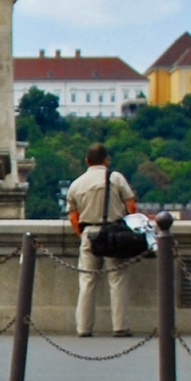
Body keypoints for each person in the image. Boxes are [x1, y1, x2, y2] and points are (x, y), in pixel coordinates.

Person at [66, 143, 138, 337]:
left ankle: (84, 328)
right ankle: (120, 326)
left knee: (87, 281)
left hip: (90, 233)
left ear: (87, 161)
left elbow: (73, 217)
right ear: (106, 160)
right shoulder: (115, 178)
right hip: (114, 232)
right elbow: (131, 206)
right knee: (117, 280)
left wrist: (83, 234)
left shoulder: (76, 184)